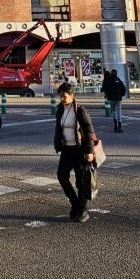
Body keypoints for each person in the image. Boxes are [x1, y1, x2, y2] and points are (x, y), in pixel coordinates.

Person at [52, 82, 96, 222]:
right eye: (60, 96)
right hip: (67, 149)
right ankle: (75, 203)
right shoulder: (60, 109)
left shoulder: (80, 110)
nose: (62, 99)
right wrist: (57, 143)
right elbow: (59, 128)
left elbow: (89, 131)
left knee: (80, 181)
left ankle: (83, 210)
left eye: (64, 96)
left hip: (80, 150)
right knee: (62, 176)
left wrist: (89, 151)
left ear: (72, 95)